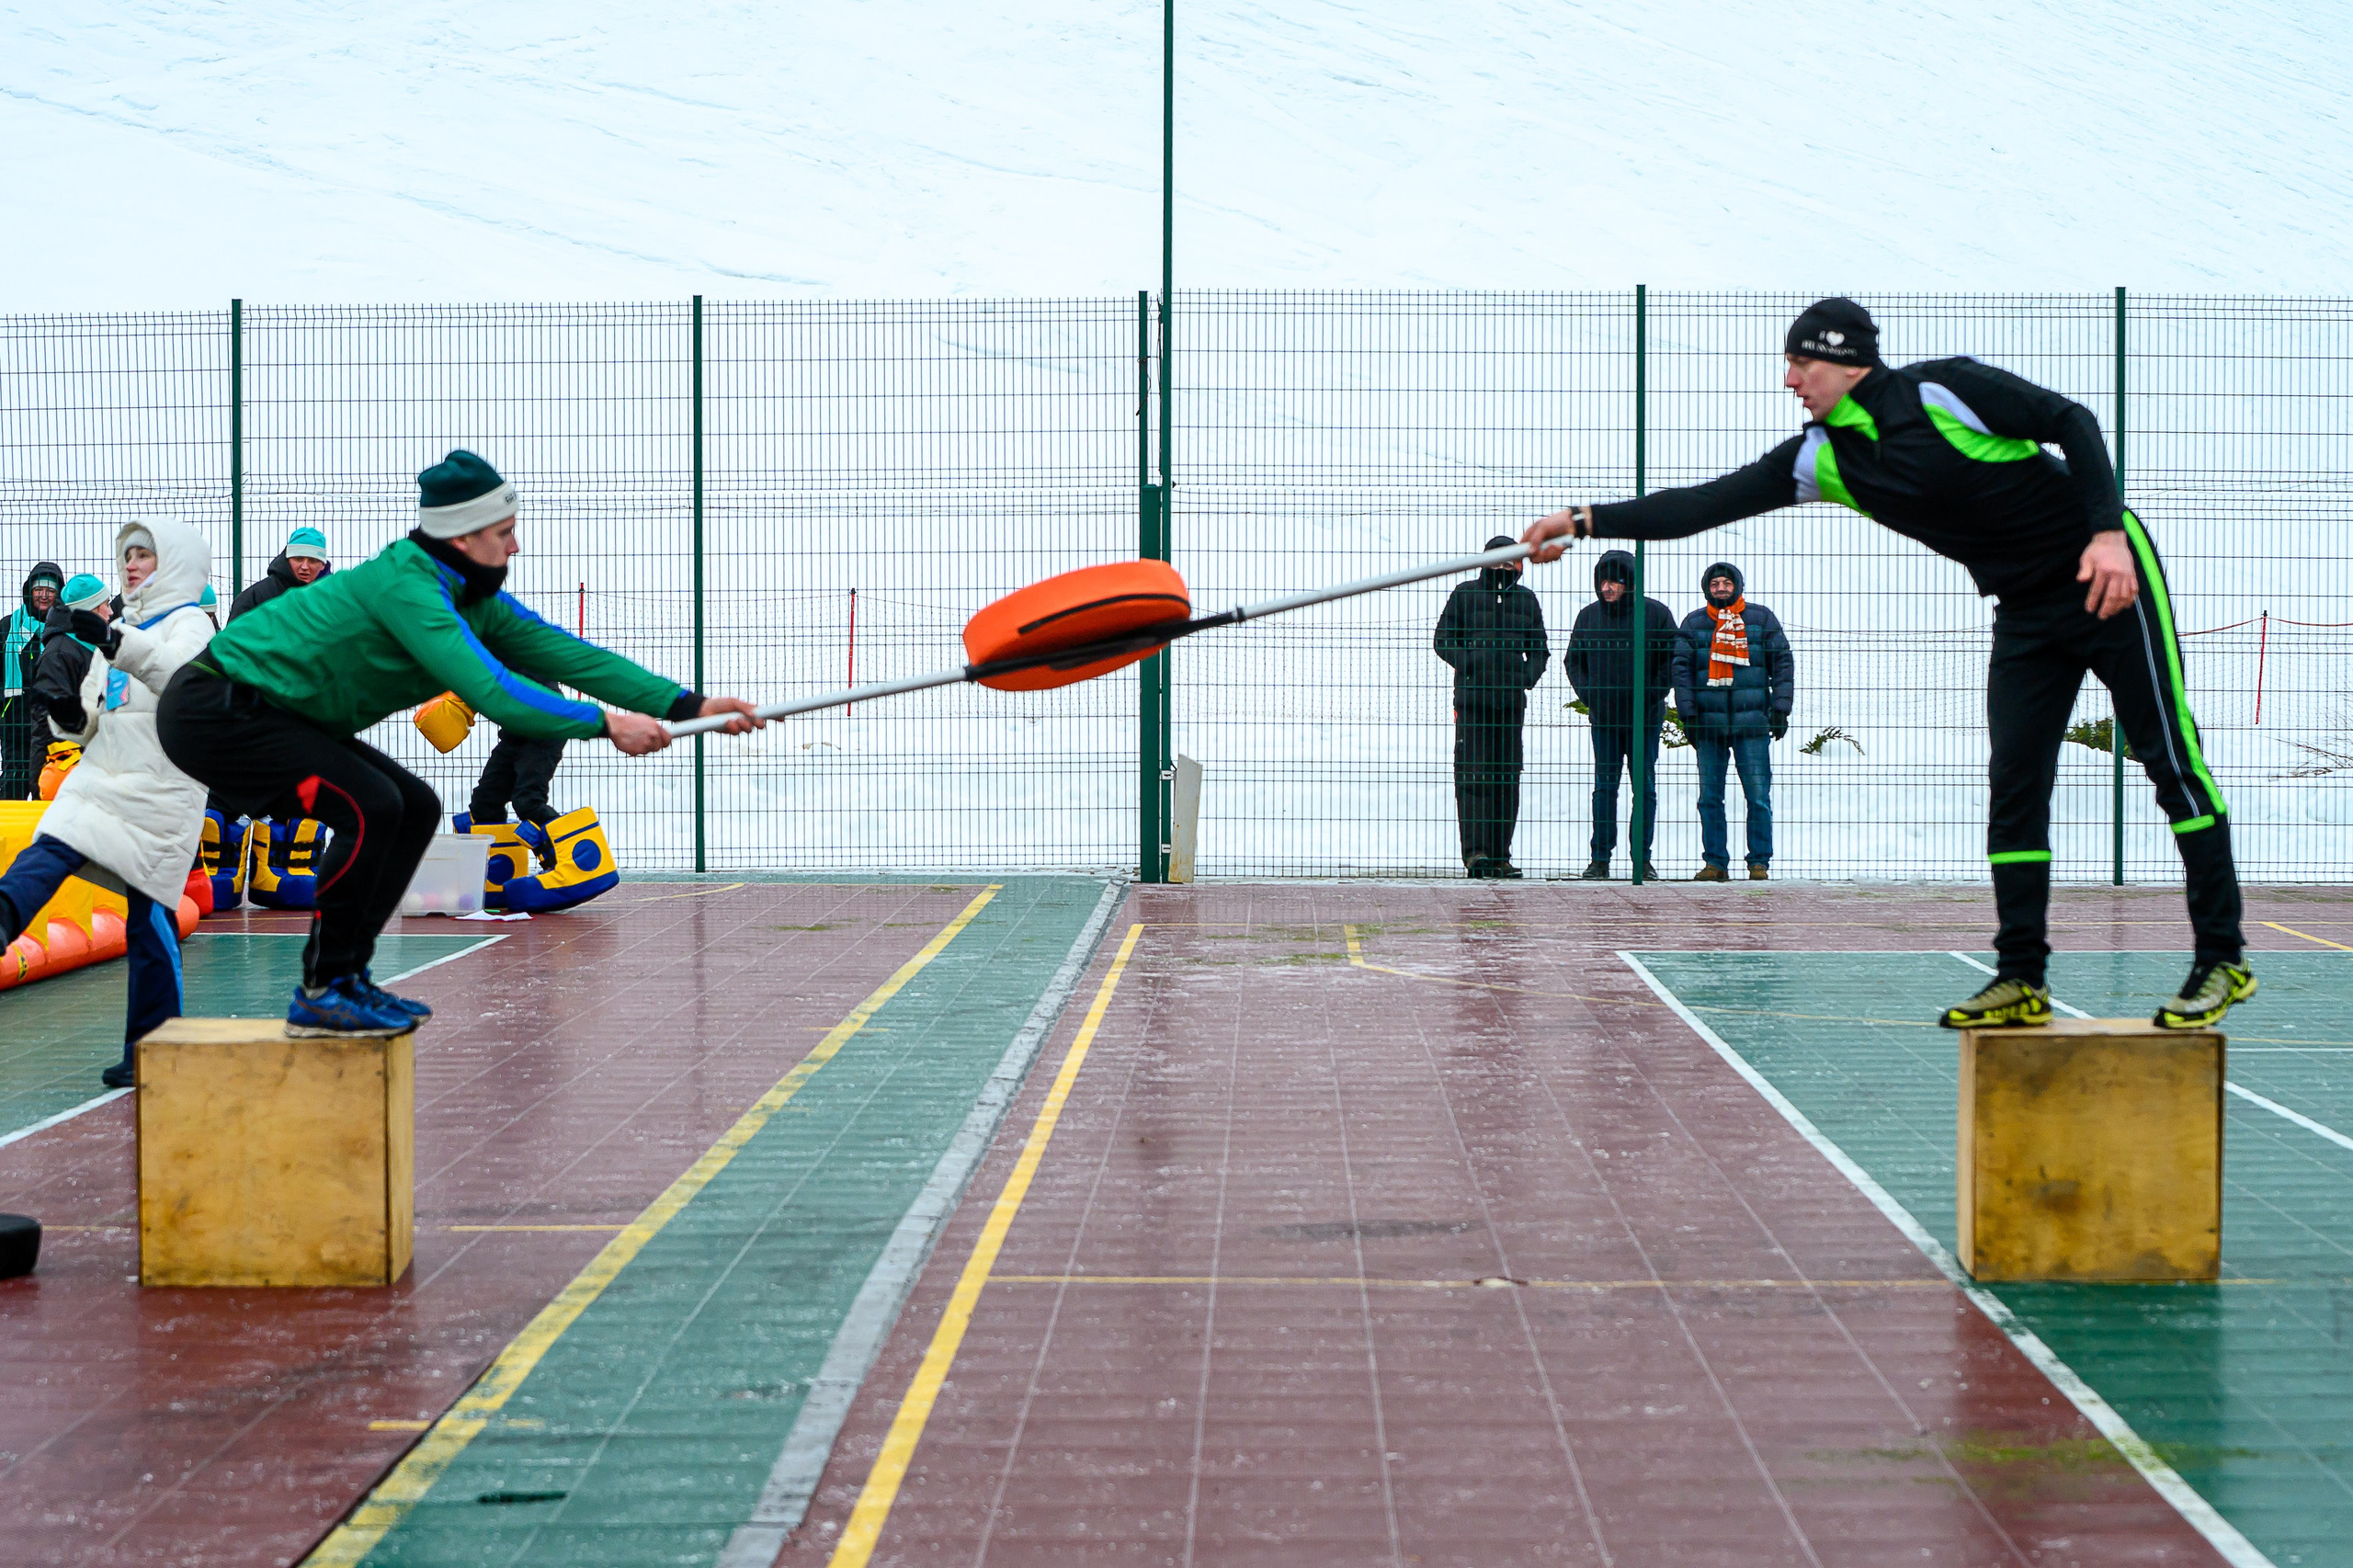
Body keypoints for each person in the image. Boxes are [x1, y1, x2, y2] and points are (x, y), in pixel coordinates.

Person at [1524, 298, 2251, 1029]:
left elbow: (2073, 422)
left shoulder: (1941, 391)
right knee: (2015, 786)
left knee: (2169, 760)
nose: (1790, 380)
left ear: (1843, 361)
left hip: (2106, 577)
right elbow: (1702, 506)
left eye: (1801, 364)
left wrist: (2106, 533)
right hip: (2026, 612)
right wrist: (1582, 521)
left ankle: (2221, 958)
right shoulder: (1819, 458)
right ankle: (2021, 978)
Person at [156, 449, 763, 1036]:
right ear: (464, 537)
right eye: (505, 532)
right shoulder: (409, 589)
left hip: (275, 718)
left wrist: (688, 705)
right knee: (372, 808)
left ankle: (344, 979)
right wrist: (603, 725)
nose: (515, 545)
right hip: (218, 710)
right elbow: (493, 690)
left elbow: (564, 653)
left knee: (414, 807)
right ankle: (324, 990)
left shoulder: (470, 599)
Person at [0, 524, 214, 1088]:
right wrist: (67, 714)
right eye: (128, 555)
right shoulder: (121, 629)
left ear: (174, 563)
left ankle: (151, 1046)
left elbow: (182, 678)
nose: (132, 564)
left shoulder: (193, 623)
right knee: (48, 846)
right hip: (102, 776)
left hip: (161, 789)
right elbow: (95, 715)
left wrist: (115, 642)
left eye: (145, 554)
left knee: (151, 923)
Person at [1434, 536, 1550, 878]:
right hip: (1472, 703)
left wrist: (1524, 678)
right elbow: (1442, 639)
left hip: (1511, 704)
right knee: (1473, 777)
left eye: (1509, 561)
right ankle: (1476, 854)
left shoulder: (1527, 600)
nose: (1502, 567)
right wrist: (1468, 663)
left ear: (1518, 565)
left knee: (1507, 778)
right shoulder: (1465, 594)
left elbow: (1540, 650)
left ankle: (1501, 856)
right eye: (1496, 560)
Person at [1673, 562, 1792, 882]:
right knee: (1710, 797)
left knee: (1757, 796)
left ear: (1738, 586)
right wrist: (1689, 715)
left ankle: (1759, 863)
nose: (1721, 589)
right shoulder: (1694, 623)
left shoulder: (1761, 618)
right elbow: (1681, 669)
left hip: (1752, 724)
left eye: (1726, 583)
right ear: (1706, 589)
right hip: (1708, 726)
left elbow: (1782, 662)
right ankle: (1715, 863)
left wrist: (1781, 707)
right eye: (1715, 584)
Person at [1563, 549, 1674, 880]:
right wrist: (1591, 696)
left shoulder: (1655, 614)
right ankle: (1600, 859)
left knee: (1645, 788)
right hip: (1605, 719)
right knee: (1604, 787)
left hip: (1645, 719)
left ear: (1630, 582)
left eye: (1615, 581)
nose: (1608, 588)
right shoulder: (1588, 617)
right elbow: (1574, 662)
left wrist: (1651, 696)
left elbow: (1671, 661)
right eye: (1603, 581)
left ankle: (1642, 859)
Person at [4, 562, 63, 799]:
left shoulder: (63, 628)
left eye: (51, 590)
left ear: (59, 593)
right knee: (13, 779)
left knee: (48, 780)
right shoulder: (8, 626)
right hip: (13, 719)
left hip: (52, 718)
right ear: (29, 591)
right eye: (39, 589)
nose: (44, 595)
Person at [227, 527, 330, 620]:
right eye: (298, 559)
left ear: (323, 565)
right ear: (287, 559)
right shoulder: (255, 597)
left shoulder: (330, 598)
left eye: (313, 561)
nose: (304, 567)